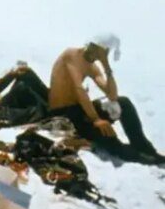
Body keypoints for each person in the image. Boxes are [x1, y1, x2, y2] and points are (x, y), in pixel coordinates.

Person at [48, 36, 163, 164]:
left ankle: (143, 147)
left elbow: (112, 95)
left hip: (81, 110)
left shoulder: (92, 65)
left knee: (123, 102)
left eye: (102, 52)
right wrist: (96, 119)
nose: (96, 53)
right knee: (110, 141)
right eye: (96, 49)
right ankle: (137, 156)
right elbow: (78, 89)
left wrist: (105, 63)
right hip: (64, 114)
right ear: (90, 44)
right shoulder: (71, 55)